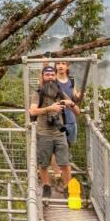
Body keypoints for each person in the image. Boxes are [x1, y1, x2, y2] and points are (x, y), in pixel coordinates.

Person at [30, 65, 75, 198]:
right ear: (43, 77)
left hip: (59, 132)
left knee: (65, 163)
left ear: (55, 76)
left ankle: (68, 188)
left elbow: (74, 107)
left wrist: (71, 103)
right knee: (44, 163)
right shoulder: (38, 93)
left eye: (52, 75)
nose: (50, 77)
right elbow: (32, 111)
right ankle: (46, 186)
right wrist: (49, 108)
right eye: (47, 75)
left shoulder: (60, 93)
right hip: (44, 133)